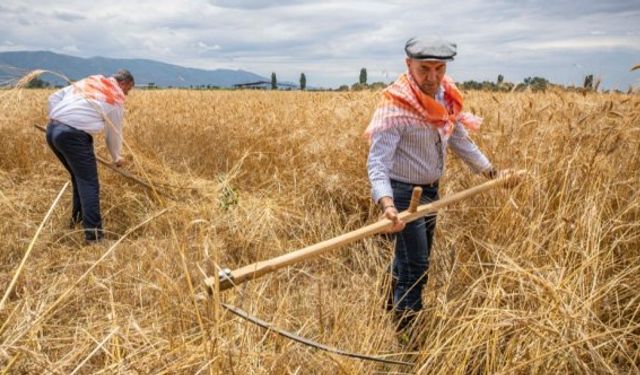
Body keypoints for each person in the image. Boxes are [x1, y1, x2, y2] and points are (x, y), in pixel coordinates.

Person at [366, 37, 498, 331]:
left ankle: (389, 307)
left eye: (439, 69)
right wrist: (387, 205)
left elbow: (460, 141)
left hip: (431, 192)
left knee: (407, 261)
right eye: (424, 69)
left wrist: (492, 173)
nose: (433, 77)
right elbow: (377, 164)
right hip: (403, 195)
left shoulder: (445, 98)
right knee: (417, 266)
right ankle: (406, 334)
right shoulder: (395, 106)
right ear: (408, 65)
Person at [46, 69, 135, 244]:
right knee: (89, 183)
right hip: (74, 136)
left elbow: (53, 98)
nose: (126, 94)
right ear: (123, 83)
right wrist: (117, 157)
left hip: (52, 131)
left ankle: (77, 221)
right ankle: (94, 237)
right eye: (128, 90)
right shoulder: (115, 95)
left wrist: (57, 119)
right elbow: (113, 132)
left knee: (78, 178)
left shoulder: (90, 81)